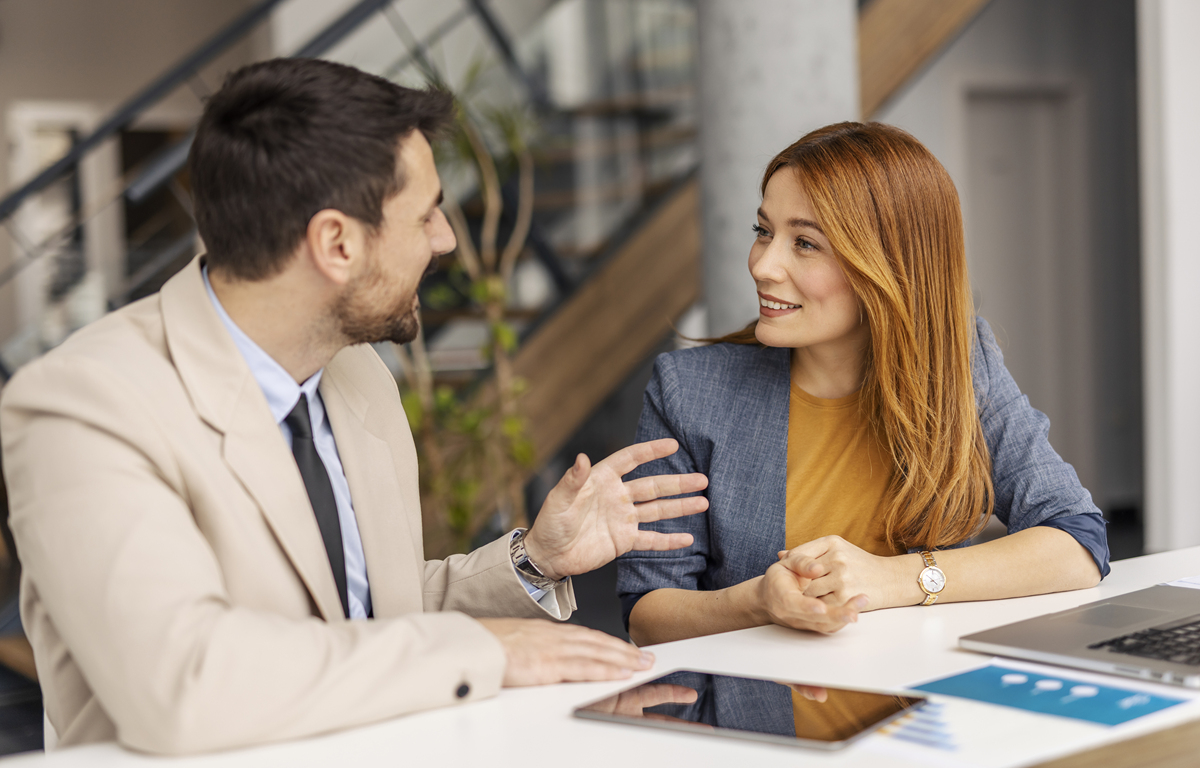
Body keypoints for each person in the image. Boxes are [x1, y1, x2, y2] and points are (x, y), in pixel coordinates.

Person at [0, 58, 709, 754]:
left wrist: (533, 561)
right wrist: (481, 649)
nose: (446, 239)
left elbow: (372, 618)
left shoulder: (357, 374)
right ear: (336, 243)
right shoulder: (82, 407)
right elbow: (186, 683)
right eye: (426, 213)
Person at [617, 121, 1108, 647]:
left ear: (889, 264)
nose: (763, 264)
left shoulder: (962, 366)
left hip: (934, 713)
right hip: (763, 721)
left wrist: (894, 579)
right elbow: (647, 613)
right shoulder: (689, 392)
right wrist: (756, 602)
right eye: (764, 231)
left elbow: (1077, 542)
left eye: (804, 243)